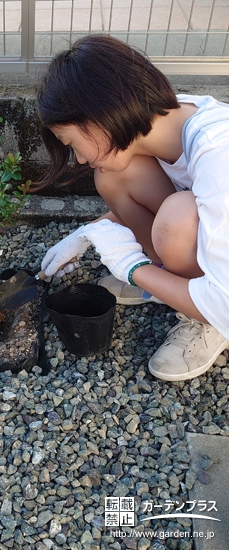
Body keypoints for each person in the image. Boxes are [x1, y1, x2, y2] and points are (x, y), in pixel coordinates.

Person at [35, 34, 229, 382]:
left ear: (100, 115)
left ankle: (203, 324)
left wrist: (132, 266)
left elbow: (226, 303)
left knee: (177, 218)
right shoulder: (167, 122)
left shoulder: (219, 153)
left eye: (72, 144)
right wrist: (87, 233)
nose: (79, 158)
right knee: (113, 176)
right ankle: (166, 283)